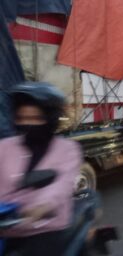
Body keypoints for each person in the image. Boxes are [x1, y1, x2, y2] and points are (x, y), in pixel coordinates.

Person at [0, 82, 82, 255]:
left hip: (44, 229)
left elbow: (62, 185)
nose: (28, 124)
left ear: (50, 119)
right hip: (6, 229)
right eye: (22, 118)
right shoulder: (5, 147)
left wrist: (41, 207)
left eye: (36, 118)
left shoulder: (67, 149)